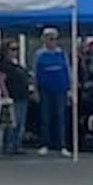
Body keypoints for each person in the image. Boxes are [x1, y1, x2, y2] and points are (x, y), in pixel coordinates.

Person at [33, 27, 71, 157]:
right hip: (45, 90)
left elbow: (68, 72)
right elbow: (35, 73)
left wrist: (70, 89)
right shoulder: (39, 54)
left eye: (54, 39)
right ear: (45, 40)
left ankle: (62, 145)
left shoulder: (61, 53)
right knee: (45, 118)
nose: (52, 41)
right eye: (50, 39)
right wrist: (35, 89)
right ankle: (45, 144)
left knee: (60, 117)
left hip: (60, 89)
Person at [0, 39, 31, 155]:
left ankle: (17, 145)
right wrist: (6, 96)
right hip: (13, 96)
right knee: (12, 123)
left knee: (21, 123)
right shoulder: (3, 64)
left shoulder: (16, 63)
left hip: (22, 96)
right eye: (12, 49)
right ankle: (8, 146)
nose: (15, 52)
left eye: (16, 49)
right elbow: (1, 80)